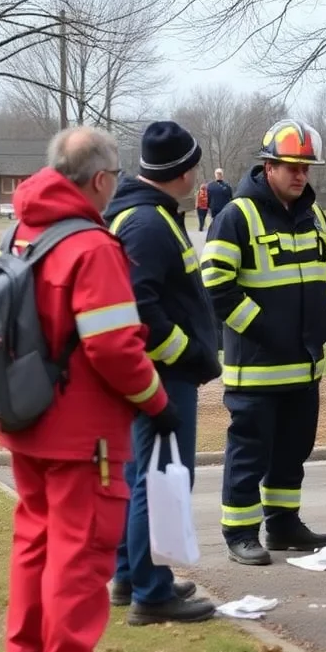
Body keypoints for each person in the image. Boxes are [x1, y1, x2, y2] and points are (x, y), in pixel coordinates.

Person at [0, 128, 179, 652]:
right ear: (101, 180)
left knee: (36, 537)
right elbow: (114, 349)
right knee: (80, 550)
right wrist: (157, 400)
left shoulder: (23, 229)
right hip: (84, 432)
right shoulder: (93, 247)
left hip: (26, 415)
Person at [200, 119, 326, 565]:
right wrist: (262, 327)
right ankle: (240, 531)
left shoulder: (315, 216)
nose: (300, 175)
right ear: (268, 166)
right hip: (256, 367)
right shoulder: (235, 216)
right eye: (290, 167)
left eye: (305, 168)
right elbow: (216, 285)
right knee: (249, 454)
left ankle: (283, 524)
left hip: (304, 367)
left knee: (293, 452)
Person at [106, 122, 221, 625]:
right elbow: (140, 306)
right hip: (161, 376)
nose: (196, 175)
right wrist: (186, 353)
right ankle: (151, 594)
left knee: (144, 476)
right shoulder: (148, 225)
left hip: (158, 373)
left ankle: (132, 575)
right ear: (181, 171)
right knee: (159, 480)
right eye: (192, 165)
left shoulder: (148, 215)